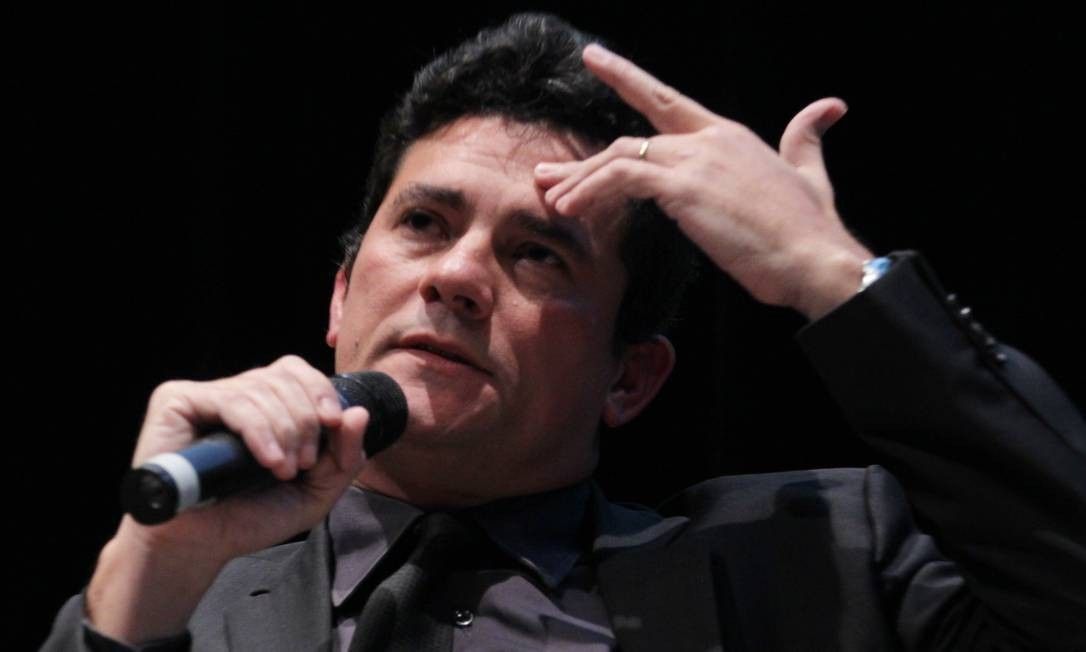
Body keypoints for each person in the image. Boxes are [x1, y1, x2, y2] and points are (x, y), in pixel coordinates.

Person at [44, 13, 1085, 651]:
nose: (457, 275)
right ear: (340, 295)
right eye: (425, 223)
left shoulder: (825, 565)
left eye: (539, 254)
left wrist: (831, 274)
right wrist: (155, 564)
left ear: (631, 378)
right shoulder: (178, 606)